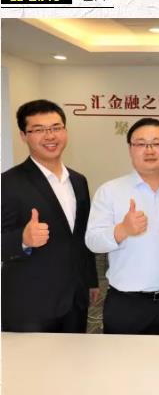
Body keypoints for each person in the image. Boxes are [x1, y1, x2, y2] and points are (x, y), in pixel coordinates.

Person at [86, 118, 159, 335]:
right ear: (130, 149)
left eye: (157, 143)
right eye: (141, 144)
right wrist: (122, 230)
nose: (150, 150)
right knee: (123, 358)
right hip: (127, 305)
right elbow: (93, 241)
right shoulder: (110, 191)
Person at [1, 99, 99, 332]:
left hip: (75, 299)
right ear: (23, 136)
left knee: (75, 355)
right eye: (39, 130)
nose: (50, 136)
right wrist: (23, 239)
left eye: (56, 127)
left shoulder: (78, 180)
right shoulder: (8, 183)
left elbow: (81, 236)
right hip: (30, 303)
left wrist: (91, 280)